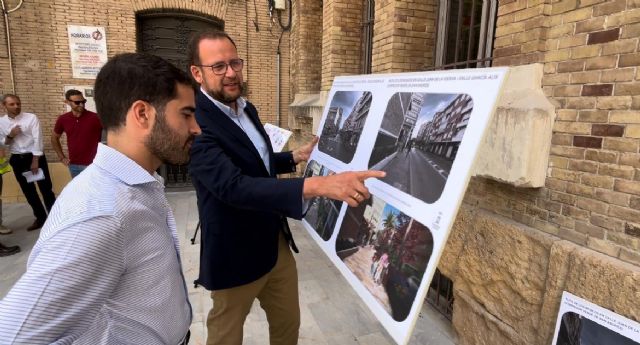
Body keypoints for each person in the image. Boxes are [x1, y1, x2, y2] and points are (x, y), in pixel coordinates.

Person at [188, 30, 385, 345]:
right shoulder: (195, 122)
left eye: (235, 63)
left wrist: (293, 157)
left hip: (274, 245)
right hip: (234, 254)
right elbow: (233, 186)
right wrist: (317, 185)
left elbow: (256, 161)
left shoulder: (245, 108)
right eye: (219, 66)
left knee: (287, 327)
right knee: (225, 338)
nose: (231, 73)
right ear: (197, 73)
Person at [0, 53, 200, 344]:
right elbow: (13, 335)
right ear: (142, 114)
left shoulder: (138, 185)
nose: (196, 127)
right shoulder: (101, 213)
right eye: (186, 113)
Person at [0, 94, 56, 231]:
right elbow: (4, 143)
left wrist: (35, 160)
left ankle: (55, 219)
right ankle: (41, 218)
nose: (16, 106)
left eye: (18, 103)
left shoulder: (31, 118)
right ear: (4, 105)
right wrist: (10, 135)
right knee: (29, 192)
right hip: (17, 159)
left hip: (34, 157)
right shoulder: (1, 122)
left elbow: (38, 139)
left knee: (46, 189)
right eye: (12, 104)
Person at [51, 89, 103, 178]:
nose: (82, 105)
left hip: (93, 164)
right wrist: (62, 157)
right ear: (67, 102)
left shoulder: (96, 118)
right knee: (78, 191)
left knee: (92, 191)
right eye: (77, 102)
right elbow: (54, 138)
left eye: (83, 101)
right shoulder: (63, 119)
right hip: (73, 165)